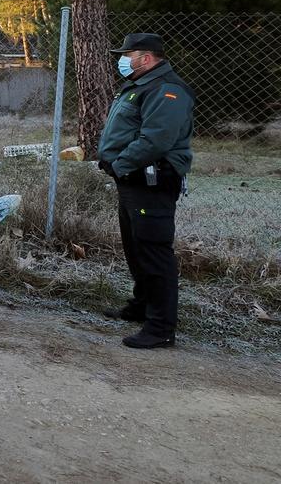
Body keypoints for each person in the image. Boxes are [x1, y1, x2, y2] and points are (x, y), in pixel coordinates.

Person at [97, 32, 194, 349]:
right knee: (135, 247)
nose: (122, 60)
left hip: (150, 181)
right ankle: (142, 307)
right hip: (132, 180)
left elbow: (157, 140)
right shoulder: (140, 86)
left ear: (147, 58)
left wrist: (121, 163)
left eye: (128, 55)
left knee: (153, 251)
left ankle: (160, 328)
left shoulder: (167, 91)